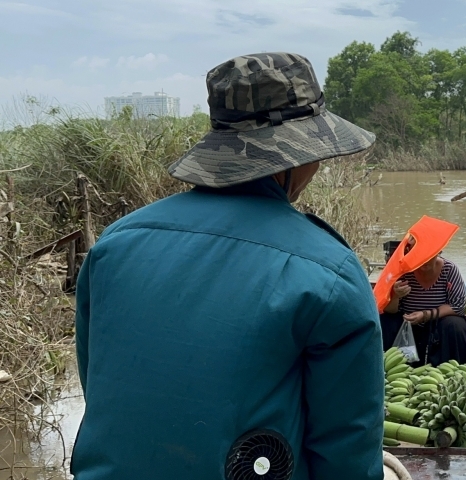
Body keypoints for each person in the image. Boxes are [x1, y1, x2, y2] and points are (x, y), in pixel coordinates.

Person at [71, 53, 385, 480]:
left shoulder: (114, 245)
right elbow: (347, 454)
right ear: (297, 158)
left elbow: (99, 386)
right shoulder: (329, 273)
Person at [379, 234, 466, 366]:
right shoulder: (403, 270)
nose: (424, 262)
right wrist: (396, 295)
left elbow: (459, 306)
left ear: (438, 252)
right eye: (419, 255)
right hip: (407, 322)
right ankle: (386, 368)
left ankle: (453, 370)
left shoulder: (449, 269)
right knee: (385, 322)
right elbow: (389, 310)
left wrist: (426, 315)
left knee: (455, 324)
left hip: (437, 324)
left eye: (429, 256)